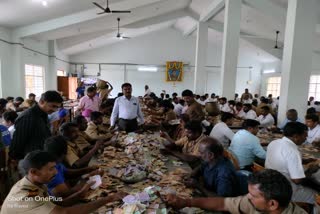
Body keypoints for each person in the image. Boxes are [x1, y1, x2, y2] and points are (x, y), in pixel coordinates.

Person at [1, 150, 125, 214]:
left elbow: (59, 202)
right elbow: (64, 212)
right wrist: (109, 199)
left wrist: (82, 192)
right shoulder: (26, 195)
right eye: (50, 169)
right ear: (34, 172)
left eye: (55, 167)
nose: (55, 172)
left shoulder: (33, 185)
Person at [164, 169, 307, 214]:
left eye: (253, 196)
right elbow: (223, 203)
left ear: (273, 204)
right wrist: (186, 202)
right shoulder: (255, 203)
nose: (248, 198)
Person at [265, 122, 316, 205]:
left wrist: (303, 166)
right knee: (316, 195)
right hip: (286, 191)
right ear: (296, 136)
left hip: (271, 185)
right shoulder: (293, 151)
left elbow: (284, 163)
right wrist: (310, 169)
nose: (305, 139)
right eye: (304, 136)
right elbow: (297, 180)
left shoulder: (273, 143)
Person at [44, 136, 102, 203]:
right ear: (64, 153)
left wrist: (87, 170)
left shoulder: (55, 162)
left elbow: (68, 172)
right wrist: (87, 180)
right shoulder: (52, 174)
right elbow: (67, 196)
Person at [9, 91, 63, 161]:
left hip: (40, 155)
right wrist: (22, 162)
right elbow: (18, 142)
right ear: (41, 102)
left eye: (57, 107)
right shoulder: (28, 117)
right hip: (31, 159)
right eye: (53, 106)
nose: (55, 110)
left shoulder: (43, 114)